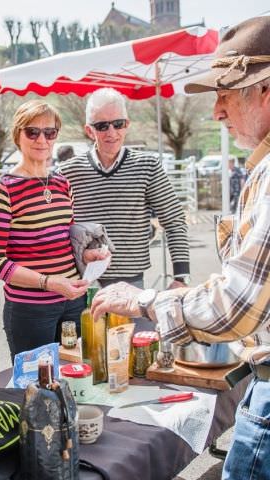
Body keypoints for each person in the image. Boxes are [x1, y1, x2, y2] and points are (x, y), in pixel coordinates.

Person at [90, 16, 270, 480]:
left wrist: (153, 295)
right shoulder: (73, 171)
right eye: (101, 125)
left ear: (265, 90)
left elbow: (234, 307)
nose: (217, 113)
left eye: (225, 95)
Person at [0, 100, 107, 361]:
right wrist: (48, 282)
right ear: (18, 135)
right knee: (35, 389)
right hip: (30, 310)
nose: (42, 139)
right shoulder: (3, 189)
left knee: (76, 378)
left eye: (49, 132)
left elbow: (61, 242)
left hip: (73, 300)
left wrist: (86, 257)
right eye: (33, 132)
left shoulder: (63, 184)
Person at [57, 88, 190, 328]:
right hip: (81, 286)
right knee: (87, 358)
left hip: (133, 286)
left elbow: (174, 220)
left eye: (118, 124)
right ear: (89, 130)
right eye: (102, 126)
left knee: (138, 359)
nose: (112, 132)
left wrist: (181, 276)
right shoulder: (68, 172)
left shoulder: (147, 166)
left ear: (127, 124)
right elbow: (55, 229)